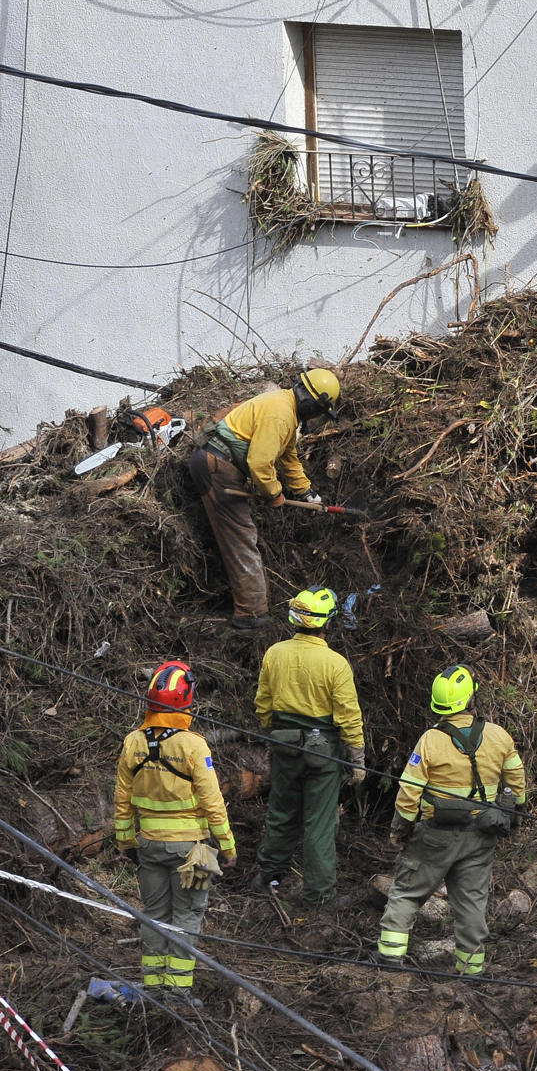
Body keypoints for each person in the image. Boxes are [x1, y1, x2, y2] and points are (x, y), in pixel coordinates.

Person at [377, 665, 528, 974]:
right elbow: (517, 782)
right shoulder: (499, 736)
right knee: (472, 903)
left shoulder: (430, 741)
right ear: (471, 699)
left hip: (435, 835)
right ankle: (471, 972)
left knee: (407, 892)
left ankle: (389, 960)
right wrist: (516, 815)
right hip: (481, 836)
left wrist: (401, 829)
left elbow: (409, 793)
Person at [113, 660, 236, 1004]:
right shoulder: (193, 746)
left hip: (148, 846)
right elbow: (213, 802)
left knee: (154, 915)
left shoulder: (132, 742)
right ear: (187, 701)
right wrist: (228, 847)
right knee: (187, 916)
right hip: (191, 851)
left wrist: (125, 841)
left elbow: (122, 799)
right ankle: (178, 992)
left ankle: (153, 988)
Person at [186, 369, 341, 627]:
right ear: (311, 403)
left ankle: (251, 608)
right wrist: (274, 494)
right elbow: (259, 463)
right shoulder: (280, 414)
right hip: (217, 466)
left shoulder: (285, 407)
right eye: (318, 412)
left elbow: (288, 456)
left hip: (218, 463)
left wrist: (307, 492)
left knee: (239, 535)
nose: (316, 418)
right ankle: (252, 615)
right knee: (241, 537)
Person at [255, 586, 364, 908]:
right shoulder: (335, 664)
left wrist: (271, 733)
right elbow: (348, 715)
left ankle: (269, 875)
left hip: (283, 745)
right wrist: (356, 758)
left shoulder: (275, 653)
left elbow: (263, 703)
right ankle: (318, 895)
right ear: (328, 622)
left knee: (281, 812)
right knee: (319, 821)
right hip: (323, 753)